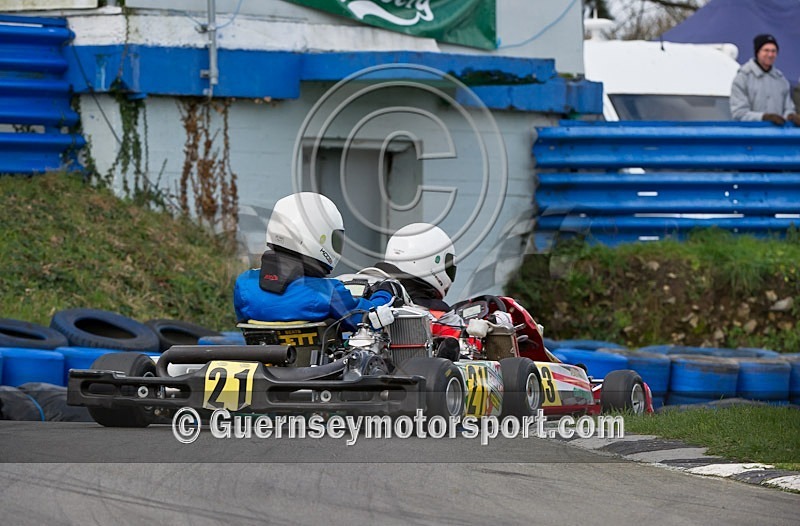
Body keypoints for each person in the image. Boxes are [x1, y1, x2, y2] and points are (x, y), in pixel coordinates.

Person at [233, 192, 393, 331]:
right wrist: (384, 293)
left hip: (264, 361)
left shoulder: (244, 284)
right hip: (314, 364)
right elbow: (368, 319)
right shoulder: (329, 292)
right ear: (318, 235)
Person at [730, 34, 800, 125]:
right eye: (766, 50)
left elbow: (788, 108)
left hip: (778, 135)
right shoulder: (743, 78)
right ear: (757, 52)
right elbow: (739, 113)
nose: (770, 55)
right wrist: (764, 117)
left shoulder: (781, 80)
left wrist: (790, 116)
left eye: (773, 51)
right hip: (750, 135)